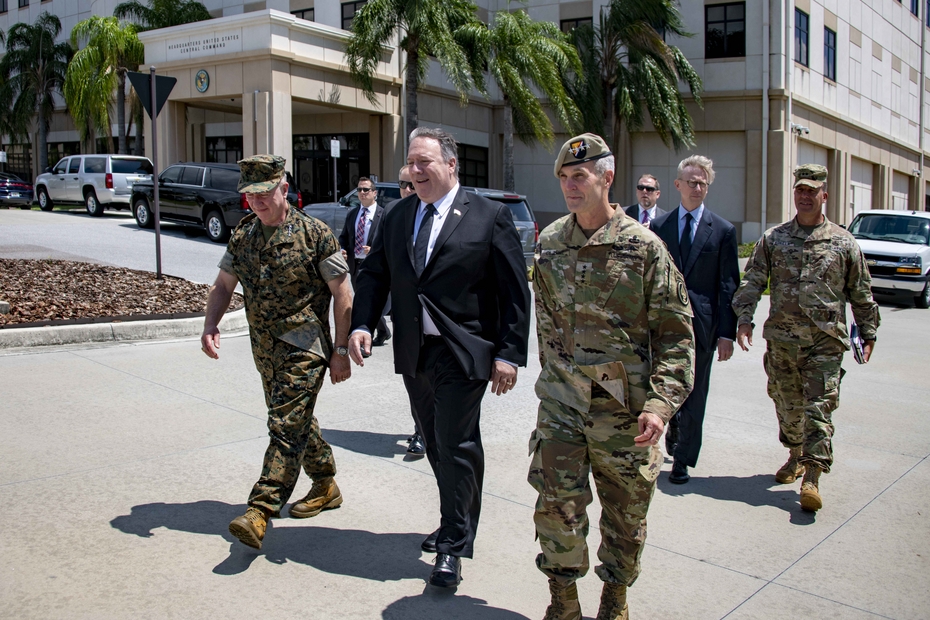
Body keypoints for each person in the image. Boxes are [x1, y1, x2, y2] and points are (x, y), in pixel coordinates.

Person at [347, 127, 531, 587]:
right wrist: (362, 324)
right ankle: (457, 520)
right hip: (416, 351)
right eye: (411, 162)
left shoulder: (489, 216)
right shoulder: (397, 215)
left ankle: (452, 546)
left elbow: (514, 292)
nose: (415, 170)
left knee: (455, 441)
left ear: (451, 164)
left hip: (463, 350)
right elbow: (374, 276)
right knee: (435, 442)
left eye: (424, 161)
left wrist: (508, 354)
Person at [530, 133, 694, 619]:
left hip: (624, 414)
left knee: (625, 519)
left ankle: (615, 601)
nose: (570, 186)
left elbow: (677, 337)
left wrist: (660, 404)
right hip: (561, 407)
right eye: (563, 177)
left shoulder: (643, 248)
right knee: (556, 511)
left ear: (607, 176)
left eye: (579, 176)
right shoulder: (551, 242)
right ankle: (563, 604)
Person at [200, 154, 353, 550]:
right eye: (250, 195)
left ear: (285, 188)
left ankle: (260, 511)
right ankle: (325, 484)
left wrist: (339, 350)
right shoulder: (243, 235)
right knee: (295, 422)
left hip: (305, 348)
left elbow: (343, 295)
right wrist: (210, 324)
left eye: (265, 193)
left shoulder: (316, 234)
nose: (257, 202)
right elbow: (222, 286)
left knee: (285, 427)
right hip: (265, 349)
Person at [732, 163, 880, 512]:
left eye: (812, 191)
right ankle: (796, 453)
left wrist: (868, 330)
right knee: (786, 405)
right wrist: (744, 318)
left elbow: (861, 290)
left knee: (819, 407)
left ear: (824, 195)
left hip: (825, 341)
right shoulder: (774, 238)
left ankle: (812, 475)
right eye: (800, 190)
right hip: (782, 341)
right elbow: (753, 280)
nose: (805, 196)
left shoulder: (844, 242)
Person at [651, 155, 740, 484]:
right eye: (691, 182)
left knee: (694, 393)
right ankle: (672, 433)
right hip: (663, 325)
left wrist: (727, 334)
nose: (697, 187)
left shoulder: (723, 231)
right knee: (663, 389)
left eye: (702, 182)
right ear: (677, 185)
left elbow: (728, 285)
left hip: (702, 327)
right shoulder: (659, 228)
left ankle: (683, 460)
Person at [385, 164, 426, 457]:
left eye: (412, 184)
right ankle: (421, 430)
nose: (408, 190)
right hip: (408, 322)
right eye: (403, 185)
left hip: (444, 325)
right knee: (416, 384)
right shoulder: (393, 217)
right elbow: (377, 270)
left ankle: (431, 432)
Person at [338, 177, 391, 346]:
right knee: (363, 299)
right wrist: (343, 249)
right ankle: (382, 331)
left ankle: (369, 334)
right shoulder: (353, 214)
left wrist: (374, 248)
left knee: (370, 300)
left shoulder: (383, 214)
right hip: (356, 265)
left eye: (366, 190)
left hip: (375, 266)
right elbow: (344, 237)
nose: (362, 193)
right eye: (359, 190)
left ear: (374, 193)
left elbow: (388, 240)